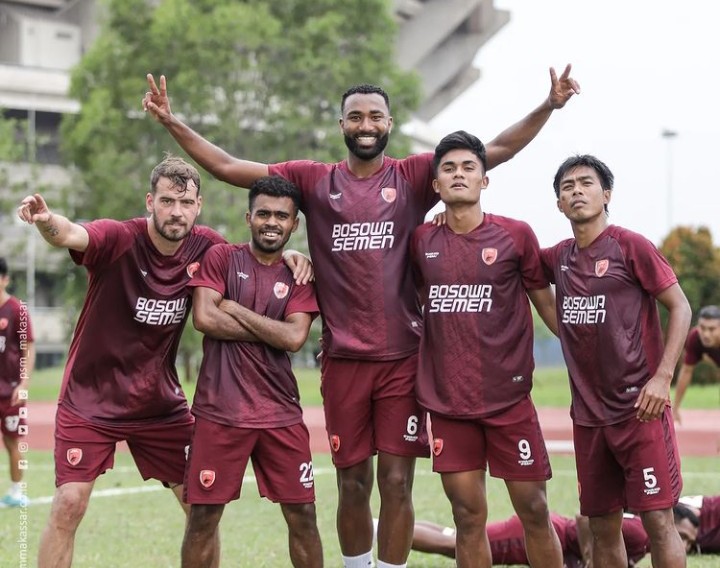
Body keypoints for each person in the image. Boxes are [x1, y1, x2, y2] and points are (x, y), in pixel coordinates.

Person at [143, 66, 580, 568]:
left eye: (375, 115)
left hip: (402, 361)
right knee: (353, 482)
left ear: (389, 122)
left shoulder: (414, 175)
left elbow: (493, 152)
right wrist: (172, 123)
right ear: (342, 125)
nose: (366, 124)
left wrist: (548, 105)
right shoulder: (313, 179)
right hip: (344, 360)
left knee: (397, 482)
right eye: (356, 117)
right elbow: (227, 166)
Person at [410, 131, 561, 567]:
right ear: (436, 185)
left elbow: (546, 305)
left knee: (534, 509)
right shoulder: (421, 240)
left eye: (469, 167)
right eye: (449, 169)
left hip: (508, 399)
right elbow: (414, 298)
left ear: (484, 180)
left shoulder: (515, 235)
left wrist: (583, 357)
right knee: (467, 515)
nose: (459, 174)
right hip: (447, 401)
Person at [539, 155, 692, 567]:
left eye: (585, 183)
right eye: (567, 187)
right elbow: (522, 269)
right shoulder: (558, 257)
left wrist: (662, 378)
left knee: (657, 520)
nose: (576, 191)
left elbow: (680, 307)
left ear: (605, 195)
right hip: (589, 418)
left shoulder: (630, 245)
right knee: (601, 524)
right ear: (559, 204)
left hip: (639, 411)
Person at [182, 176, 322, 568]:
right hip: (219, 412)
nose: (271, 222)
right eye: (263, 213)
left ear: (295, 225)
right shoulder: (222, 258)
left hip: (279, 414)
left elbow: (295, 338)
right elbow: (205, 317)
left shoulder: (299, 275)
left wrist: (237, 309)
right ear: (249, 217)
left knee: (303, 516)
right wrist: (266, 328)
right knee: (203, 519)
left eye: (282, 215)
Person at [407, 512, 651, 567]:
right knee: (458, 546)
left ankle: (382, 527)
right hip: (547, 535)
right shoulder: (641, 534)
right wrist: (588, 557)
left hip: (550, 533)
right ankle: (383, 533)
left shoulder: (643, 542)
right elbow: (585, 517)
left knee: (456, 536)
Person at [0, 257, 35, 508]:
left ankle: (15, 492)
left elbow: (28, 348)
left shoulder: (16, 310)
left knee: (12, 441)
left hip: (9, 391)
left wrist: (24, 384)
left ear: (5, 279)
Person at [672, 305, 720, 424]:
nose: (706, 334)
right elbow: (686, 371)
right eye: (702, 328)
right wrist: (676, 407)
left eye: (712, 329)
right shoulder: (695, 338)